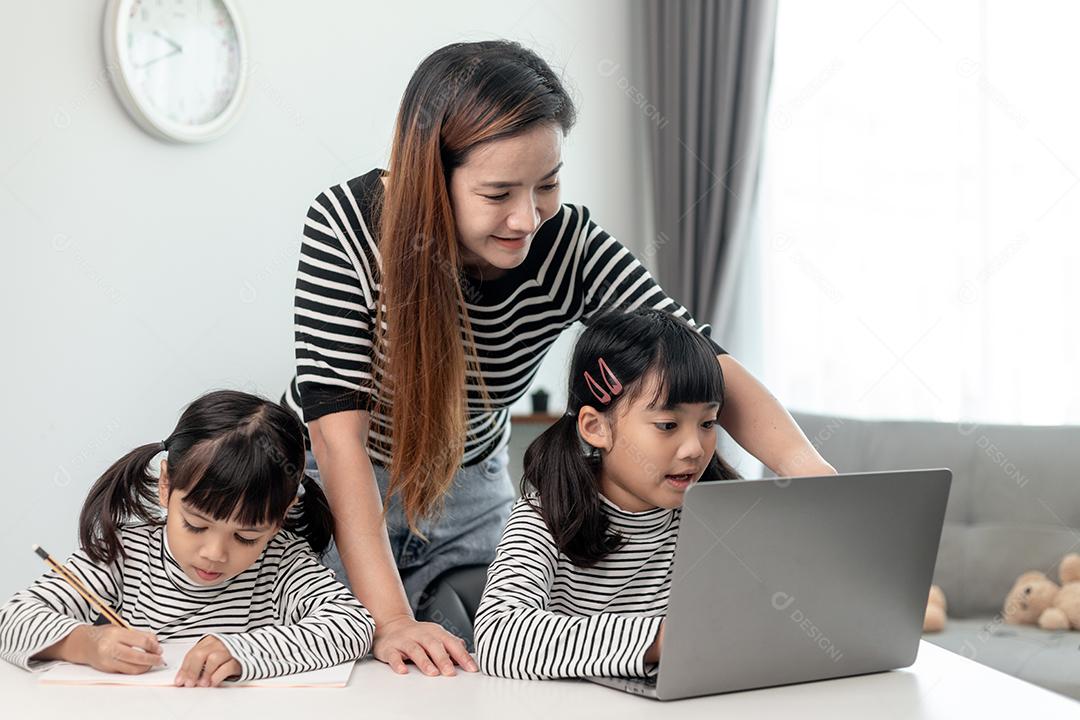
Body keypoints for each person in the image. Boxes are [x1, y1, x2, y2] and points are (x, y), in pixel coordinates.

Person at [285, 39, 834, 676]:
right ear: (432, 176)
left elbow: (704, 358)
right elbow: (335, 438)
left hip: (471, 491)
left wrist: (812, 481)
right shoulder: (348, 223)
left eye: (546, 184)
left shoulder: (566, 242)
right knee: (351, 676)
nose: (528, 218)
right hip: (349, 489)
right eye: (498, 194)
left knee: (481, 679)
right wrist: (391, 618)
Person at [0, 390, 374, 687]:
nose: (214, 553)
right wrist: (86, 644)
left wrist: (244, 651)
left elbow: (353, 625)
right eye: (195, 525)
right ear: (166, 485)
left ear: (282, 515)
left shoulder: (283, 562)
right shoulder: (125, 554)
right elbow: (12, 620)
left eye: (246, 536)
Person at [473, 308, 737, 678]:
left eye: (708, 423)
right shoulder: (543, 518)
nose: (694, 448)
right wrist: (660, 640)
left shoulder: (720, 515)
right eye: (667, 425)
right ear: (596, 427)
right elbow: (499, 638)